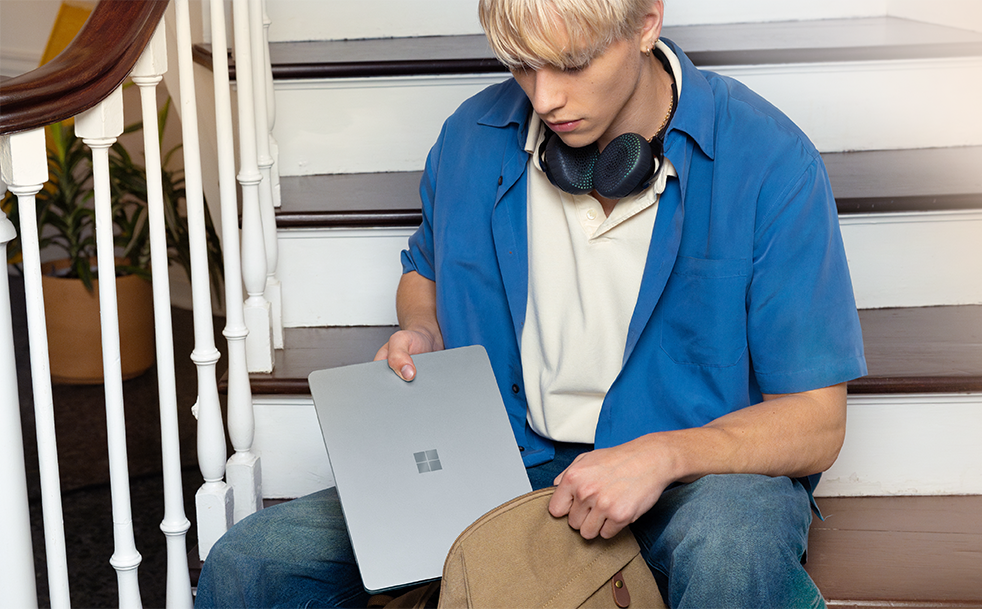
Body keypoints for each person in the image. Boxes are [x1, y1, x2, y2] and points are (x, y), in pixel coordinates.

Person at [194, 0, 867, 607]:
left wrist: (660, 456)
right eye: (521, 65)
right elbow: (423, 271)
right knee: (249, 561)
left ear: (645, 22)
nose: (545, 98)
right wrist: (420, 328)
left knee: (730, 549)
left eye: (572, 63)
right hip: (508, 456)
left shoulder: (769, 160)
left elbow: (815, 422)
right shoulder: (470, 137)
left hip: (693, 472)